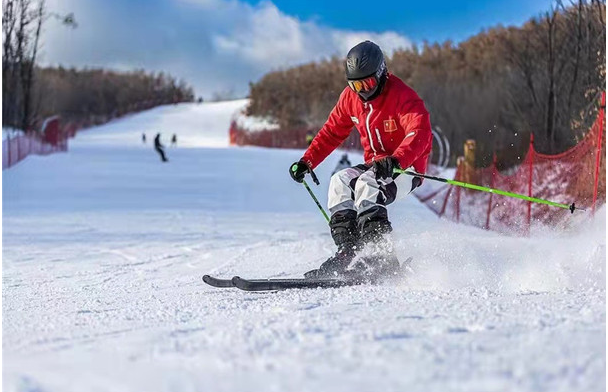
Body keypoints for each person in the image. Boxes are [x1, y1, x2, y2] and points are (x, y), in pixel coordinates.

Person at [289, 40, 432, 281]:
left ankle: (379, 256)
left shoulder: (403, 97)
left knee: (368, 184)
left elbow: (420, 133)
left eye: (367, 83)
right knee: (339, 181)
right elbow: (331, 132)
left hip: (406, 167)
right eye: (355, 84)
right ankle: (349, 252)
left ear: (381, 73)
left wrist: (397, 160)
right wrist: (307, 161)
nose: (362, 90)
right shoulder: (350, 98)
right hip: (374, 165)